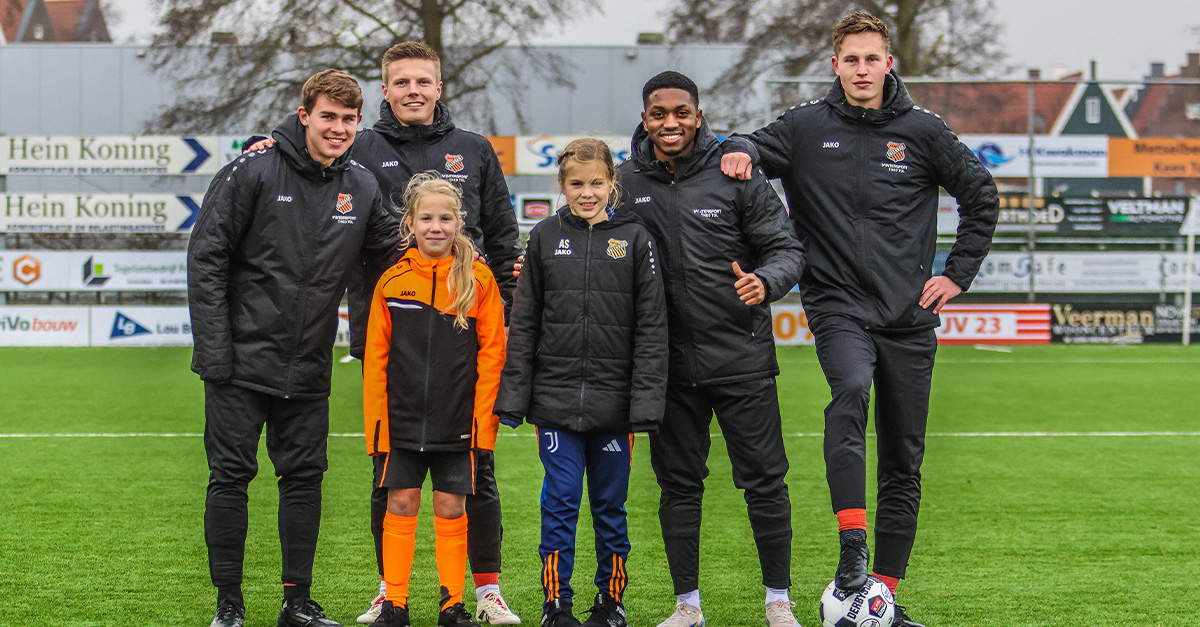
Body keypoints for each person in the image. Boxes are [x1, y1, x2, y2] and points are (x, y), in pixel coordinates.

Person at [720, 11, 1000, 627]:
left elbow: (982, 194)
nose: (863, 69)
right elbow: (746, 146)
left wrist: (957, 274)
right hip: (837, 303)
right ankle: (852, 551)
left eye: (873, 58)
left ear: (889, 63)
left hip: (909, 314)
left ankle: (884, 598)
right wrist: (739, 151)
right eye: (852, 59)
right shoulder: (804, 127)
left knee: (904, 456)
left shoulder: (923, 130)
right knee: (849, 390)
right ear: (835, 65)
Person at [246, 42, 522, 626]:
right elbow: (309, 142)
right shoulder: (360, 147)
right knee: (387, 474)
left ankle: (486, 589)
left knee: (478, 474)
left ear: (439, 87)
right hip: (389, 331)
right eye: (401, 82)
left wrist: (507, 319)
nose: (413, 91)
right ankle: (388, 589)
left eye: (424, 81)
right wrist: (271, 137)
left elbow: (501, 233)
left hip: (462, 338)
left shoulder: (473, 150)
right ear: (386, 89)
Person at [188, 69, 399, 627]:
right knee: (231, 478)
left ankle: (296, 604)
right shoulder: (252, 168)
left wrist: (469, 262)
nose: (338, 128)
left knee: (305, 479)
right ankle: (228, 607)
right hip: (237, 362)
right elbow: (206, 257)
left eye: (348, 119)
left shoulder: (362, 184)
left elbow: (395, 256)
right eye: (327, 116)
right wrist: (214, 352)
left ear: (359, 123)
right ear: (304, 115)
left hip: (308, 363)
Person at [619, 71, 806, 627]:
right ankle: (687, 607)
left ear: (698, 116)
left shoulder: (737, 174)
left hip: (741, 356)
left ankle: (778, 601)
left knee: (765, 482)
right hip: (666, 365)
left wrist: (767, 283)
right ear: (645, 118)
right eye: (659, 113)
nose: (670, 123)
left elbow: (786, 248)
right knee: (678, 487)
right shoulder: (623, 182)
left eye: (681, 112)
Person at [494, 138, 669, 627]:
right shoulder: (545, 236)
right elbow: (525, 321)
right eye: (577, 184)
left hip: (616, 407)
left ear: (613, 183)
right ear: (562, 186)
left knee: (610, 508)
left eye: (596, 183)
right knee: (561, 500)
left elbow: (652, 327)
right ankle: (557, 604)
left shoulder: (636, 238)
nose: (587, 193)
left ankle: (610, 603)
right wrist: (514, 398)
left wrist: (646, 404)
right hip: (555, 402)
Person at [361, 173, 507, 627]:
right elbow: (375, 361)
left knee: (451, 506)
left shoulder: (478, 280)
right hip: (401, 423)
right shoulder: (391, 281)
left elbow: (493, 356)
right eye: (426, 218)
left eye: (445, 218)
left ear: (459, 222)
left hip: (459, 422)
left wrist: (485, 425)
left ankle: (452, 604)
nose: (436, 227)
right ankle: (395, 604)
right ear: (410, 223)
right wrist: (377, 429)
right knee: (400, 502)